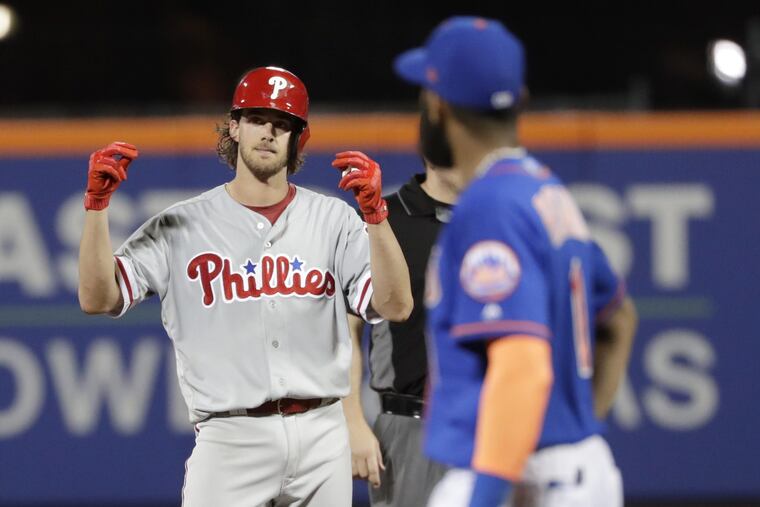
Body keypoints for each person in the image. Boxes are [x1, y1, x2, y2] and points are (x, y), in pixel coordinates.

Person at [77, 65, 412, 507]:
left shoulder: (333, 219)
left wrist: (376, 219)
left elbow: (396, 306)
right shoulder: (182, 223)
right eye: (257, 119)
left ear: (298, 140)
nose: (268, 133)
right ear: (233, 127)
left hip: (321, 431)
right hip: (230, 438)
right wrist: (97, 208)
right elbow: (98, 298)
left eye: (282, 124)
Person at [393, 17, 638, 507]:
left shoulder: (491, 206)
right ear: (520, 101)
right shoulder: (543, 190)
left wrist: (489, 492)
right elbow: (619, 318)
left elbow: (522, 366)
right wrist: (575, 430)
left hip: (519, 480)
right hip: (566, 468)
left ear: (438, 107)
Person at [343, 159, 460, 507]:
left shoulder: (495, 217)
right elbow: (347, 328)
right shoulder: (384, 217)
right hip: (409, 425)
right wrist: (352, 421)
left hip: (490, 423)